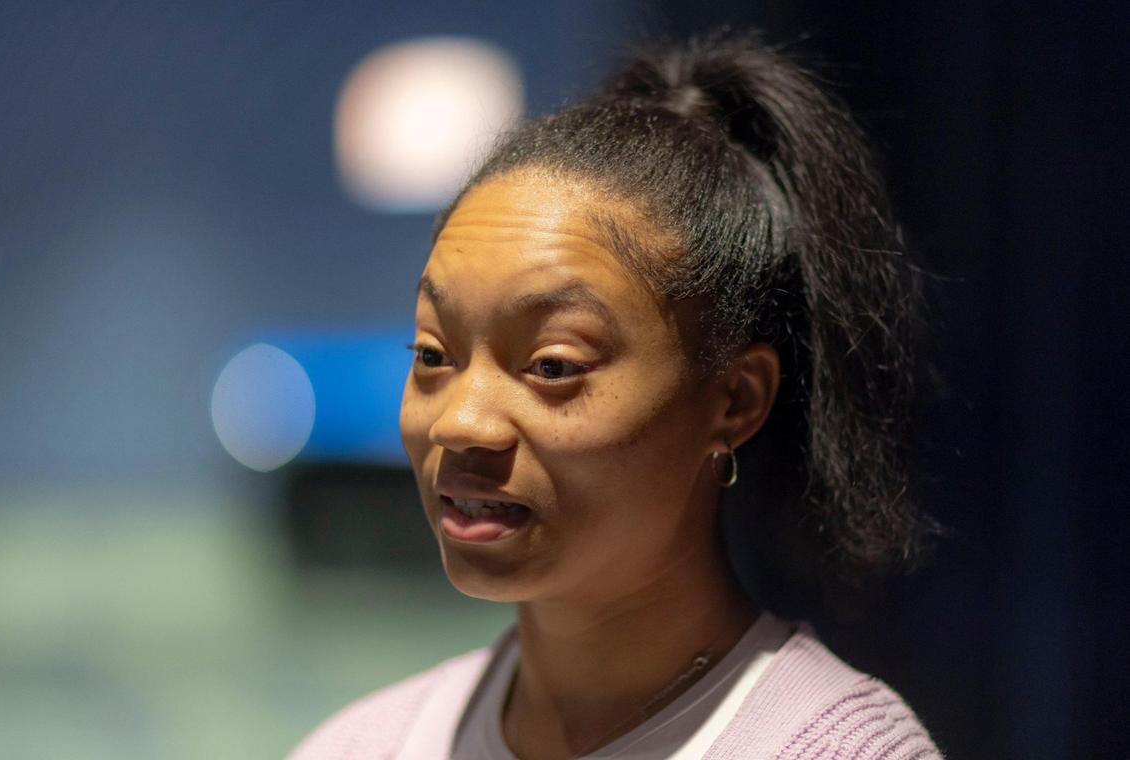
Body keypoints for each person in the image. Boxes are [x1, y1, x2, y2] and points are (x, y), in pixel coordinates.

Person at [290, 30, 943, 760]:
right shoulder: (362, 745)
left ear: (734, 401)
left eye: (552, 365)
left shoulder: (832, 749)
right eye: (433, 354)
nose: (461, 423)